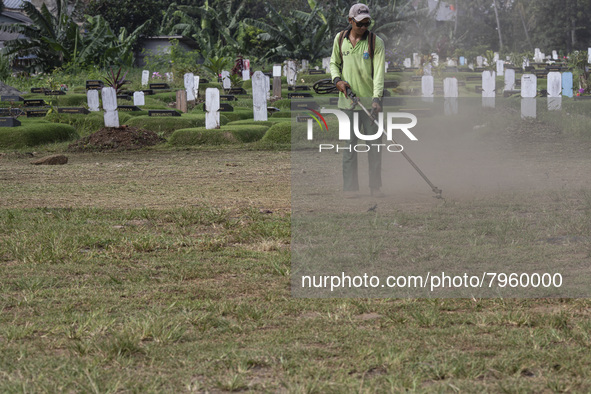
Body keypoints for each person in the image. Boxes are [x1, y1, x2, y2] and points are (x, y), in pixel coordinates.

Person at [330, 3, 385, 198]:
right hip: (348, 104)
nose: (363, 27)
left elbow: (379, 73)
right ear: (350, 21)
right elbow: (334, 64)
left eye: (367, 23)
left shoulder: (375, 42)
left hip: (370, 103)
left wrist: (377, 98)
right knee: (350, 146)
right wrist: (337, 81)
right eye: (360, 23)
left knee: (374, 146)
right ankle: (350, 188)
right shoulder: (339, 40)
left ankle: (375, 187)